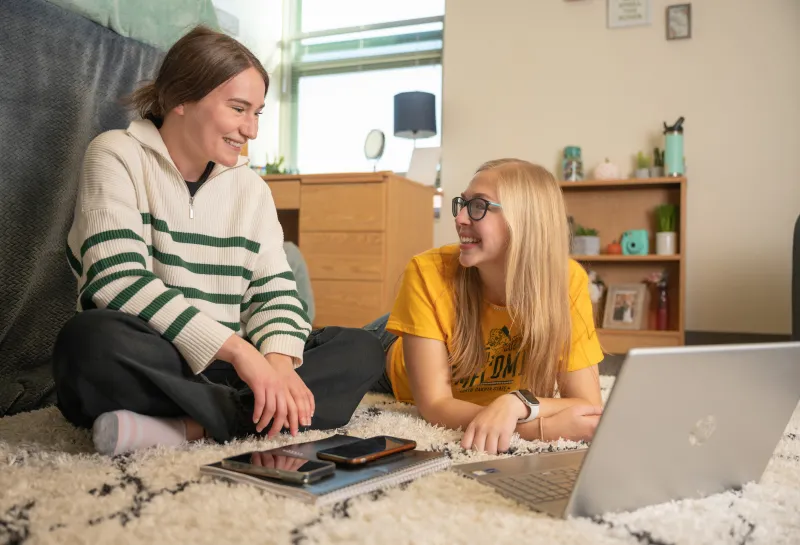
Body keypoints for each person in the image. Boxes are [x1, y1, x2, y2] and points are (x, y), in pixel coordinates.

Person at [53, 26, 384, 456]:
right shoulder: (116, 154)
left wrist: (278, 365)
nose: (251, 130)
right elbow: (116, 282)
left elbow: (276, 290)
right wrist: (245, 356)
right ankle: (245, 417)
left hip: (231, 375)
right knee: (88, 343)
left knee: (360, 350)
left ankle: (187, 428)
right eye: (238, 108)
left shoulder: (251, 189)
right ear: (179, 100)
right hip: (164, 362)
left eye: (258, 112)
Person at [367, 159, 605, 455]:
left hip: (440, 329)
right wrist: (532, 428)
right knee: (334, 359)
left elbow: (588, 405)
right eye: (463, 204)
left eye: (479, 206)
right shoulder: (426, 272)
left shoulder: (567, 282)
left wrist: (517, 403)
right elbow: (435, 404)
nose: (460, 219)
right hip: (390, 350)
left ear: (524, 220)